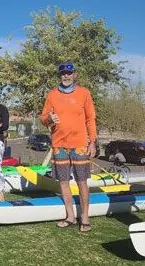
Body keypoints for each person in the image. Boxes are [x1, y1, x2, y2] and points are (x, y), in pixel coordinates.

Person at [40, 62, 97, 232]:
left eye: (69, 73)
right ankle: (70, 216)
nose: (66, 76)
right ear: (59, 76)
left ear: (74, 75)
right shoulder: (52, 95)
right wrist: (49, 119)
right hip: (59, 146)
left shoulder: (84, 93)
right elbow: (43, 119)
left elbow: (90, 119)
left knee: (82, 182)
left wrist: (92, 141)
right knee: (64, 183)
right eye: (63, 73)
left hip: (79, 145)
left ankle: (85, 217)